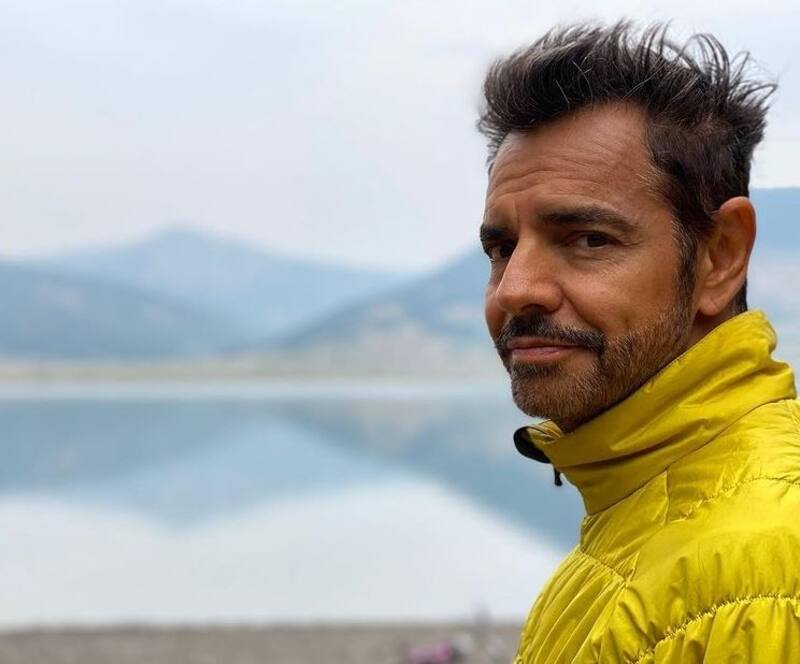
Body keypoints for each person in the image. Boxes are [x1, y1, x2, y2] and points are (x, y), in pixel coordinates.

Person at [477, 21, 800, 663]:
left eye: (588, 239)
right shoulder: (637, 518)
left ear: (720, 256)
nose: (515, 290)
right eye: (502, 248)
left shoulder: (759, 580)